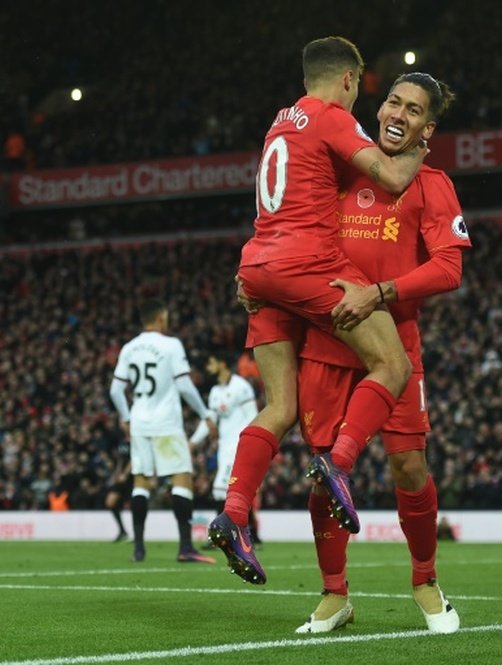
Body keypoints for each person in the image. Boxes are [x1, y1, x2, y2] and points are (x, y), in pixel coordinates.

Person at [209, 36, 428, 584]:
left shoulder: (278, 123)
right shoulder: (331, 116)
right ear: (350, 80)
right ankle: (339, 462)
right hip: (305, 263)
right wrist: (423, 142)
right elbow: (395, 176)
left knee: (279, 408)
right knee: (395, 365)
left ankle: (234, 514)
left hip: (256, 267)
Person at [290, 73, 470, 634]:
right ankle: (334, 596)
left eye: (414, 110)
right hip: (326, 343)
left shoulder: (432, 184)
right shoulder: (340, 169)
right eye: (393, 100)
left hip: (394, 347)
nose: (399, 113)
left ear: (427, 128)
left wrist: (381, 293)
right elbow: (289, 228)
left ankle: (425, 581)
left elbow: (449, 267)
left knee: (408, 466)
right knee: (324, 475)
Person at [109, 299, 216, 564]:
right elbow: (184, 387)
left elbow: (115, 390)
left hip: (139, 423)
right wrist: (205, 414)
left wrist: (125, 417)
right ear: (159, 319)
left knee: (141, 483)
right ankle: (185, 546)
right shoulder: (171, 345)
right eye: (166, 317)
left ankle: (139, 548)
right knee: (182, 478)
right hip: (166, 423)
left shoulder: (129, 348)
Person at [190, 351, 260, 540]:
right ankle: (250, 533)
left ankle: (219, 535)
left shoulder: (241, 387)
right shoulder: (215, 392)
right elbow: (210, 421)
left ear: (222, 364)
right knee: (234, 492)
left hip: (239, 447)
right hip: (224, 448)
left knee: (220, 489)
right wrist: (194, 441)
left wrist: (252, 446)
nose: (208, 368)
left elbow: (253, 417)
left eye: (211, 363)